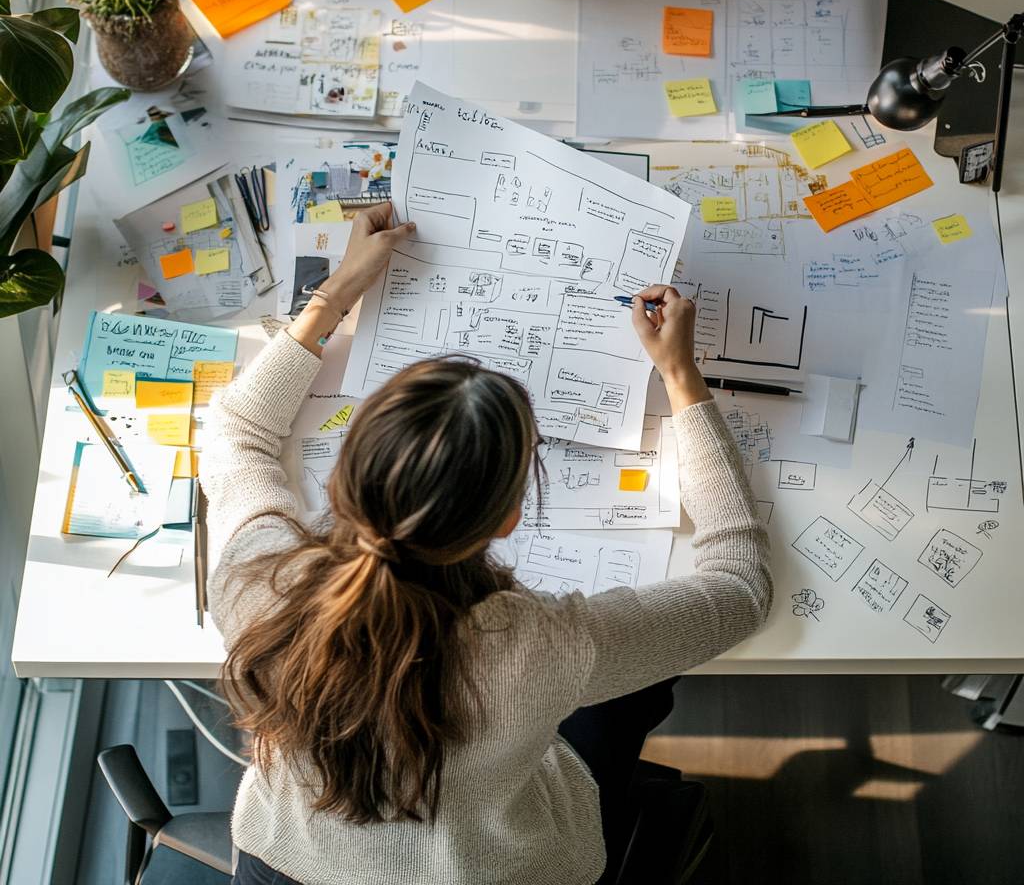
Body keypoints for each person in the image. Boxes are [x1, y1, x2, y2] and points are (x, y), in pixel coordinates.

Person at [202, 202, 772, 885]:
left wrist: (336, 293)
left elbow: (236, 432)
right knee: (632, 689)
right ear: (507, 520)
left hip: (287, 867)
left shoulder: (258, 581)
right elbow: (741, 587)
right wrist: (681, 379)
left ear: (348, 469)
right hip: (491, 872)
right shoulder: (541, 646)